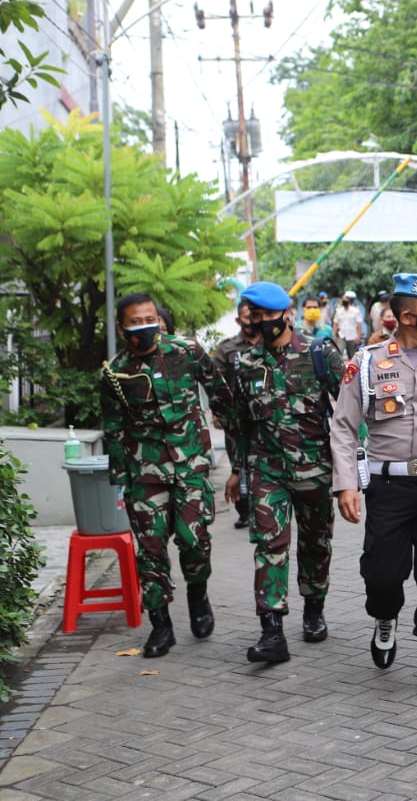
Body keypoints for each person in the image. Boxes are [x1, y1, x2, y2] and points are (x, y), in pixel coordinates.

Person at [331, 273, 417, 701]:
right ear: (407, 316)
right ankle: (385, 616)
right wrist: (345, 486)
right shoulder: (368, 362)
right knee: (383, 573)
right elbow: (342, 427)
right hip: (387, 487)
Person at [216, 281, 345, 664]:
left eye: (266, 316)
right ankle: (272, 630)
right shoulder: (245, 364)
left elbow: (350, 410)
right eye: (253, 317)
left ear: (285, 314)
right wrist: (237, 470)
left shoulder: (320, 353)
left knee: (315, 542)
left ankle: (313, 608)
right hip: (266, 469)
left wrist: (352, 474)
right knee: (269, 545)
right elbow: (238, 424)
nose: (259, 323)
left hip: (316, 468)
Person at [100, 292, 224, 659]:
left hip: (189, 466)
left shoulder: (186, 351)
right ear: (122, 327)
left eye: (149, 319)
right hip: (145, 472)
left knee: (194, 540)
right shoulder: (115, 372)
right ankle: (161, 625)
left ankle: (198, 596)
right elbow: (113, 427)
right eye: (135, 322)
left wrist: (229, 435)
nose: (144, 327)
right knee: (151, 550)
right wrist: (122, 478)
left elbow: (218, 392)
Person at [212, 300, 261, 530]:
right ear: (238, 320)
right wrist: (217, 411)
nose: (250, 320)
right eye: (245, 316)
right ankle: (244, 511)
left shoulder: (268, 344)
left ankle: (263, 507)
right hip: (235, 419)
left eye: (253, 316)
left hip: (263, 415)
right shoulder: (227, 348)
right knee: (238, 463)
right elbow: (215, 383)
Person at [333, 290, 365, 359]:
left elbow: (359, 325)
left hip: (353, 337)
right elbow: (335, 324)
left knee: (353, 356)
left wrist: (358, 337)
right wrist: (335, 335)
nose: (344, 300)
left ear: (349, 300)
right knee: (339, 353)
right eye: (343, 298)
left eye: (346, 299)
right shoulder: (339, 311)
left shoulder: (356, 311)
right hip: (342, 336)